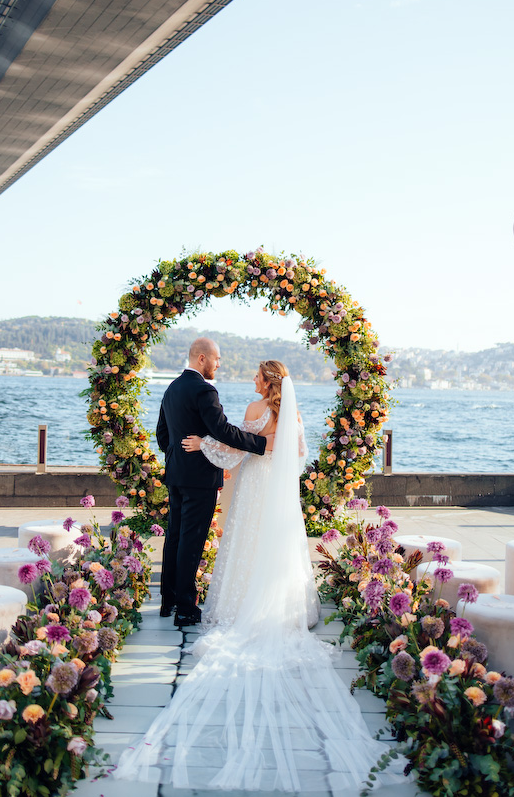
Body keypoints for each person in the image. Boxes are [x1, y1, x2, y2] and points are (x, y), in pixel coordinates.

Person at [115, 361, 406, 792]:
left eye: (256, 376)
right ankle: (280, 602)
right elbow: (296, 454)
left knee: (246, 544)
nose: (251, 381)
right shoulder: (295, 417)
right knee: (275, 545)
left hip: (253, 488)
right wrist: (266, 445)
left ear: (267, 382)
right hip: (277, 491)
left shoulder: (254, 407)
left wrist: (200, 445)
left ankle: (229, 602)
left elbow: (234, 449)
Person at [155, 337, 272, 627]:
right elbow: (221, 430)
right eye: (217, 359)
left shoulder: (172, 388)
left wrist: (177, 455)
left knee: (175, 536)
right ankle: (185, 608)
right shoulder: (204, 390)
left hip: (177, 474)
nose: (219, 364)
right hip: (200, 477)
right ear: (202, 359)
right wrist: (260, 443)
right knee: (191, 542)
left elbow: (162, 435)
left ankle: (168, 601)